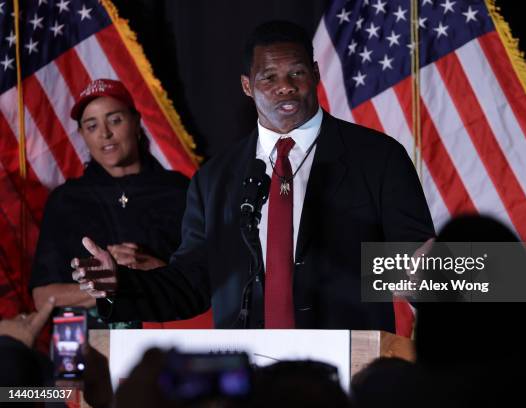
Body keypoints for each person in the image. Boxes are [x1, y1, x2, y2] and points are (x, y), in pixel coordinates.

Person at [72, 21, 435, 330]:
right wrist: (118, 284)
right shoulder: (215, 179)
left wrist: (460, 277)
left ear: (315, 74)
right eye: (268, 77)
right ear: (247, 86)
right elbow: (191, 284)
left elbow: (421, 265)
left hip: (350, 367)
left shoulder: (377, 157)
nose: (285, 87)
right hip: (249, 378)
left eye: (297, 73)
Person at [30, 79, 190, 328]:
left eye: (115, 120)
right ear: (82, 135)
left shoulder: (179, 190)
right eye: (91, 126)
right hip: (94, 345)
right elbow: (43, 297)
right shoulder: (66, 200)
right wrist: (112, 280)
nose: (105, 133)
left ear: (136, 122)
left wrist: (156, 272)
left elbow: (208, 277)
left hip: (166, 335)